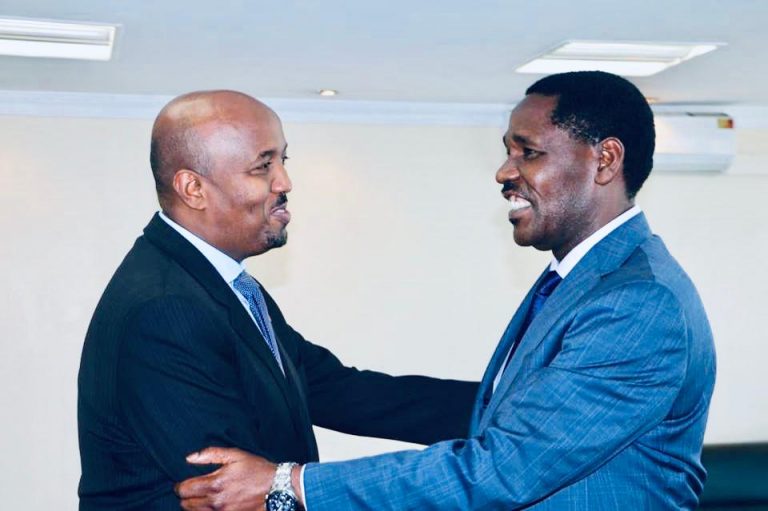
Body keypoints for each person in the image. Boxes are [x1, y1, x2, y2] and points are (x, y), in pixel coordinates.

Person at [176, 71, 717, 510]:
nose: (504, 172)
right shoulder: (584, 280)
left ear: (604, 160)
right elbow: (503, 414)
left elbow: (503, 467)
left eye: (527, 152)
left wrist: (286, 486)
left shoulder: (638, 302)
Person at [77, 90, 478, 510]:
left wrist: (503, 405)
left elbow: (336, 390)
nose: (284, 182)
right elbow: (229, 490)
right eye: (262, 166)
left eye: (283, 161)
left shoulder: (220, 283)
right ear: (193, 188)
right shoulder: (165, 308)